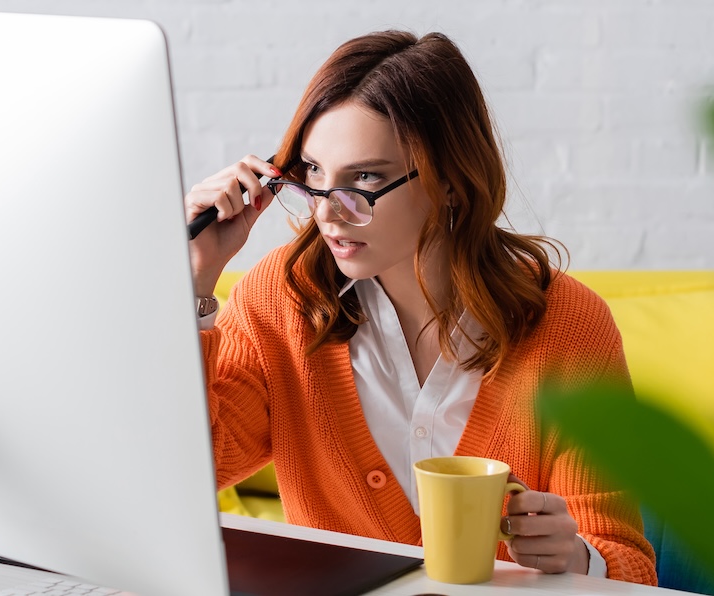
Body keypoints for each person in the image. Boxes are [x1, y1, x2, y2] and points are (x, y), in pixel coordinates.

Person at [186, 30, 656, 584]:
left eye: (364, 179)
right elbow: (191, 471)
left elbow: (630, 566)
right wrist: (196, 279)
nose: (327, 215)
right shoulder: (281, 299)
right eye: (313, 175)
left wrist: (577, 555)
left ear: (451, 181)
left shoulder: (568, 324)